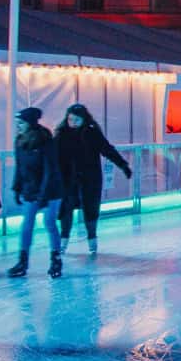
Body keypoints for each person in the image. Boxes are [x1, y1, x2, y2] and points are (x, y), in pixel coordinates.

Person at [56, 103, 133, 255]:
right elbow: (52, 157)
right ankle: (63, 240)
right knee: (66, 209)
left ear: (84, 119)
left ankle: (92, 238)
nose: (73, 123)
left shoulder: (92, 134)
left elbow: (107, 150)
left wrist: (123, 165)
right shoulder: (61, 135)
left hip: (89, 179)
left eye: (76, 120)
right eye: (70, 120)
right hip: (67, 179)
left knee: (90, 209)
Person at [8, 106, 66, 278]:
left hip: (51, 189)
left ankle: (56, 259)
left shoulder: (45, 140)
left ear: (30, 123)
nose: (18, 126)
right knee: (27, 224)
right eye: (17, 123)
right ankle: (22, 261)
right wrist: (16, 188)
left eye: (21, 123)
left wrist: (43, 195)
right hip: (31, 188)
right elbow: (19, 167)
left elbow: (50, 169)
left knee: (49, 222)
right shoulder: (19, 141)